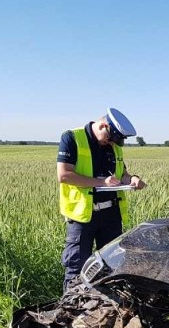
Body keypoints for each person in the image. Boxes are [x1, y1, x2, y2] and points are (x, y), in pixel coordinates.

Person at [57, 108, 147, 291]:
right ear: (103, 125)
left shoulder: (113, 146)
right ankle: (71, 311)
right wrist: (100, 182)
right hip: (83, 216)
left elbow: (122, 175)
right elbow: (64, 175)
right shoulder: (72, 138)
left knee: (112, 267)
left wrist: (133, 180)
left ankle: (107, 309)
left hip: (111, 215)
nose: (111, 143)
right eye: (110, 138)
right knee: (76, 268)